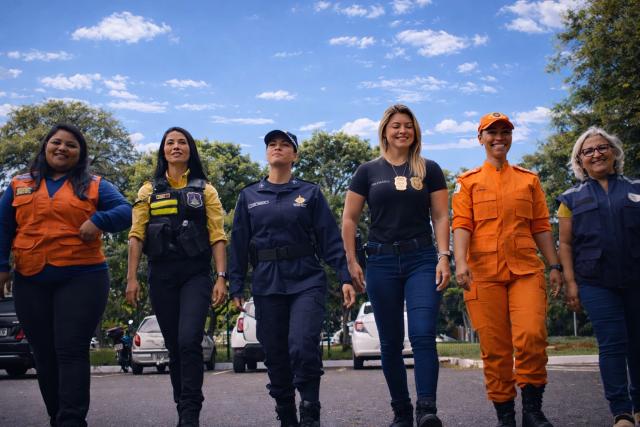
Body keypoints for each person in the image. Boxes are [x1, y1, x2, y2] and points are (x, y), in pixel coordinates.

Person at [0, 123, 132, 427]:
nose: (62, 148)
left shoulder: (95, 184)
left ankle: (72, 420)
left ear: (80, 153)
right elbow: (3, 226)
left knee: (70, 349)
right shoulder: (19, 183)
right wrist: (2, 268)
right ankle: (56, 416)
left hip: (82, 277)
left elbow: (126, 211)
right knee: (43, 353)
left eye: (71, 145)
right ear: (45, 146)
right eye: (56, 142)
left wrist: (99, 220)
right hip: (30, 277)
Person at [229, 129, 358, 427]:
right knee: (275, 353)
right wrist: (236, 284)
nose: (277, 148)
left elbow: (329, 239)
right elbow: (238, 243)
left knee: (302, 345)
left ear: (294, 155)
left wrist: (345, 277)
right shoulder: (249, 195)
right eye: (272, 144)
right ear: (266, 153)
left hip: (306, 280)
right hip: (267, 282)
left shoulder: (310, 193)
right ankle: (286, 413)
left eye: (285, 145)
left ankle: (310, 410)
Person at [342, 104, 451, 427]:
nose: (402, 131)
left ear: (415, 131)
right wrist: (351, 261)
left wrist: (444, 256)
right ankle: (401, 412)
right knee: (389, 342)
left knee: (422, 334)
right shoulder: (367, 171)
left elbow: (441, 216)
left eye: (408, 125)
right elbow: (349, 219)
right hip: (381, 261)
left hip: (422, 260)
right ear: (385, 132)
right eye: (396, 126)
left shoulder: (429, 169)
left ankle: (426, 410)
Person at [452, 112, 562, 427]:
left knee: (531, 336)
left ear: (511, 137)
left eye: (505, 132)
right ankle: (505, 417)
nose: (499, 138)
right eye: (492, 132)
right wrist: (461, 262)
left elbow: (541, 226)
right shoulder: (468, 182)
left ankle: (532, 412)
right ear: (480, 138)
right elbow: (462, 224)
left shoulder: (529, 180)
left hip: (526, 270)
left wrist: (554, 265)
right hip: (483, 274)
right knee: (495, 348)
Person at [126, 127, 227, 427]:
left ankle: (190, 412)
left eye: (182, 142)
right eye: (170, 142)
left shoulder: (206, 190)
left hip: (195, 274)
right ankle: (182, 403)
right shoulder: (148, 190)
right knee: (174, 346)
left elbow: (217, 235)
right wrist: (131, 278)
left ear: (190, 149)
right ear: (163, 151)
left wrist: (221, 277)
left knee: (188, 340)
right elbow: (136, 235)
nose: (176, 146)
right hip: (161, 275)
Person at [557, 127, 640, 427]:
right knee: (612, 343)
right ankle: (622, 412)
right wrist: (571, 283)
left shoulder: (637, 187)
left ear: (614, 152)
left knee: (638, 344)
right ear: (580, 160)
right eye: (588, 151)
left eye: (602, 147)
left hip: (635, 279)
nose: (596, 154)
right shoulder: (569, 199)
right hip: (595, 282)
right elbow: (565, 244)